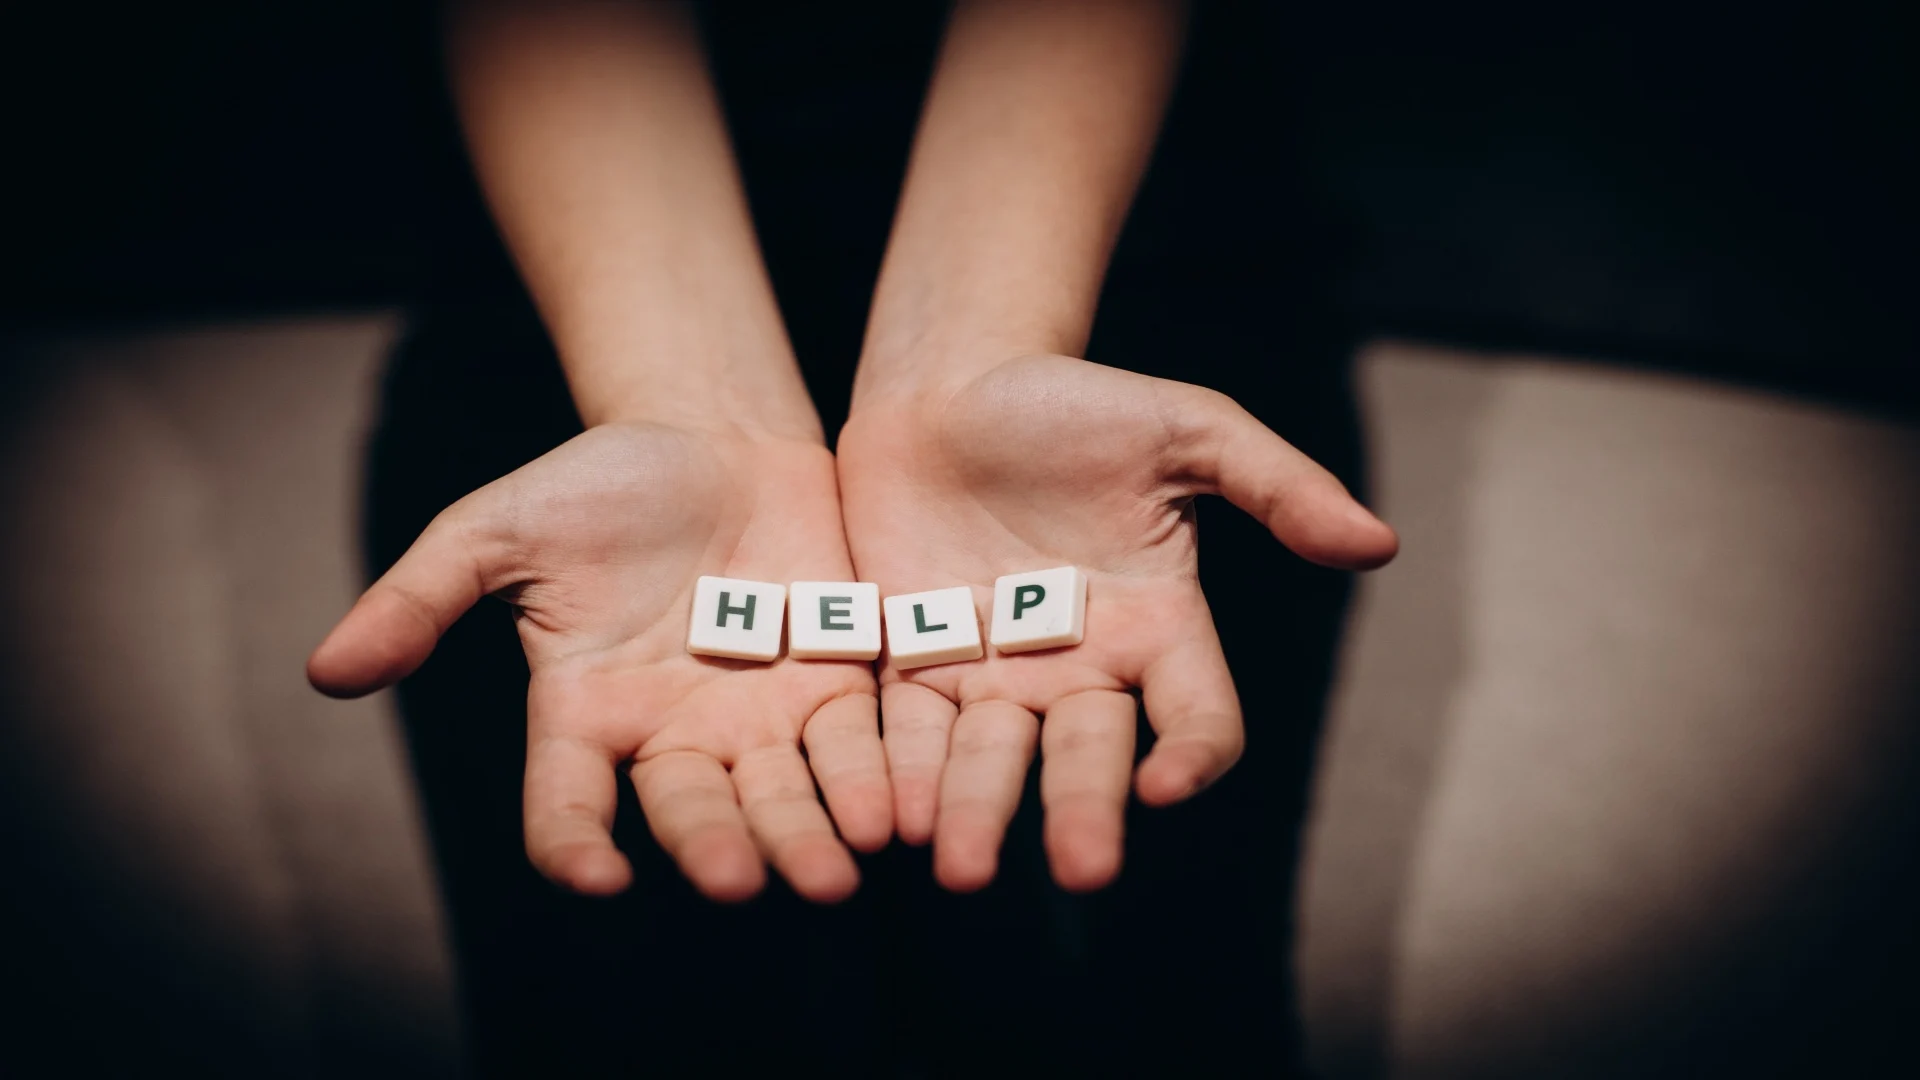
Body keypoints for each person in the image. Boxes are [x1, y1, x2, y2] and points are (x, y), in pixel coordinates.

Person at [308, 1, 1397, 1074]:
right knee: (626, 1015)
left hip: (1111, 227)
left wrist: (971, 348)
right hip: (578, 263)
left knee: (1156, 996)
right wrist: (689, 403)